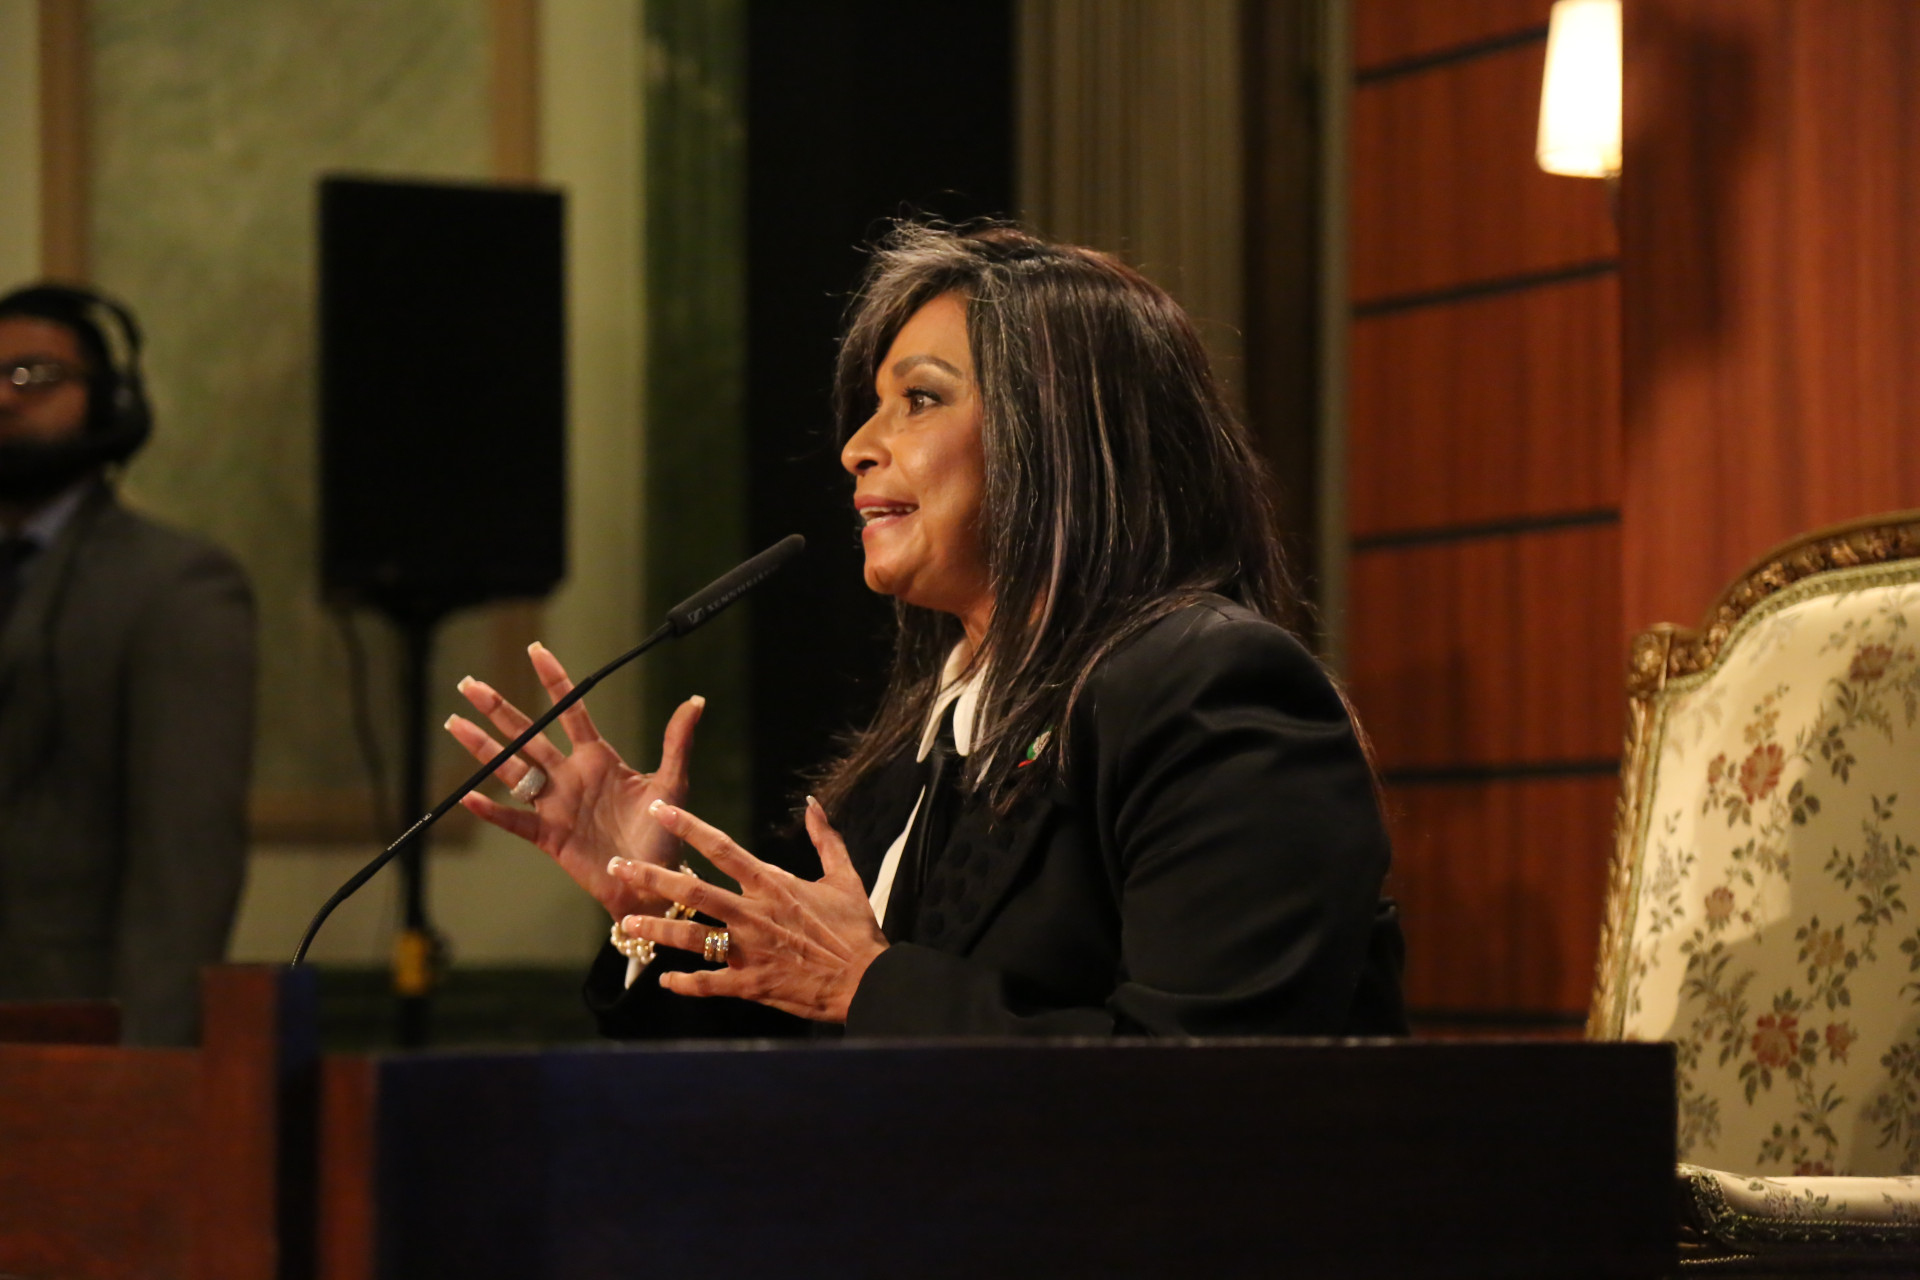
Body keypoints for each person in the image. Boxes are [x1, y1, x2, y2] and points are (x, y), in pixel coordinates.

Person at [446, 224, 1405, 1038]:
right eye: (875, 406)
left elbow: (1213, 1086)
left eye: (921, 398)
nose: (858, 447)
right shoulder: (917, 753)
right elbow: (796, 1055)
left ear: (1058, 432)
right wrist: (660, 900)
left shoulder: (1211, 690)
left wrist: (869, 985)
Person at [0, 283, 255, 1045]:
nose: (4, 399)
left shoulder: (177, 585)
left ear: (110, 400)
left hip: (69, 1033)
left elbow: (186, 865)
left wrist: (144, 1073)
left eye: (33, 376)